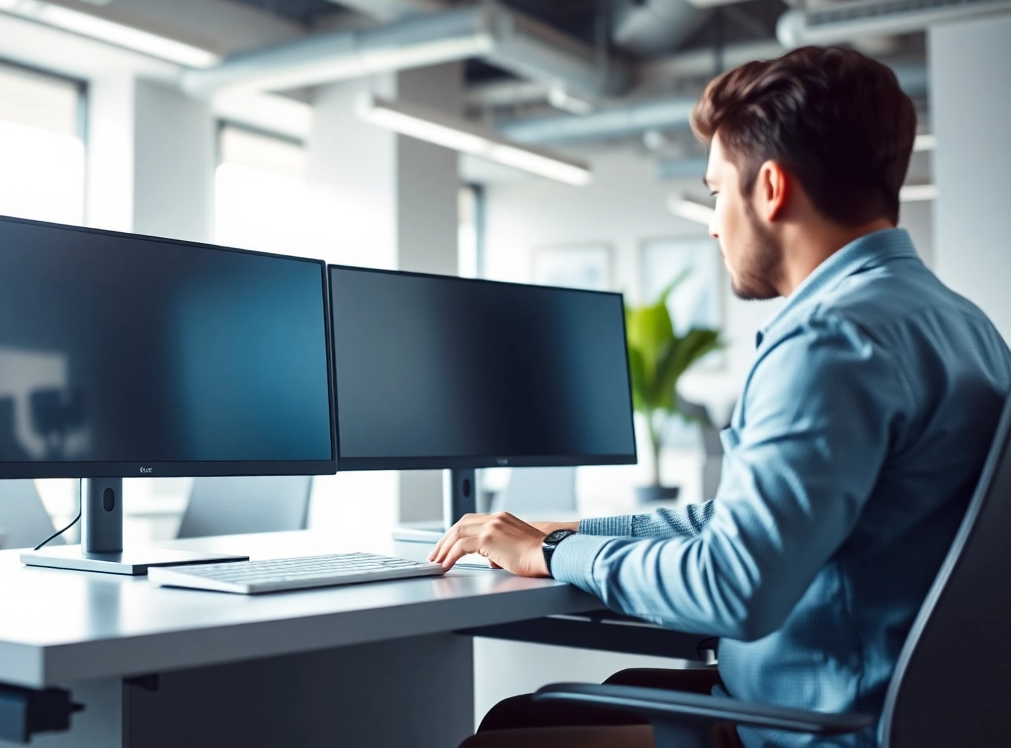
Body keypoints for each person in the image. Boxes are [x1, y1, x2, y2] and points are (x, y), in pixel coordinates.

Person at [432, 46, 1011, 748]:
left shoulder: (830, 342)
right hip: (905, 708)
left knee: (494, 742)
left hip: (822, 726)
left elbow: (732, 584)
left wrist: (552, 555)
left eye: (715, 194)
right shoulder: (962, 325)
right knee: (541, 712)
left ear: (770, 189)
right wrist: (575, 533)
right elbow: (740, 520)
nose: (712, 225)